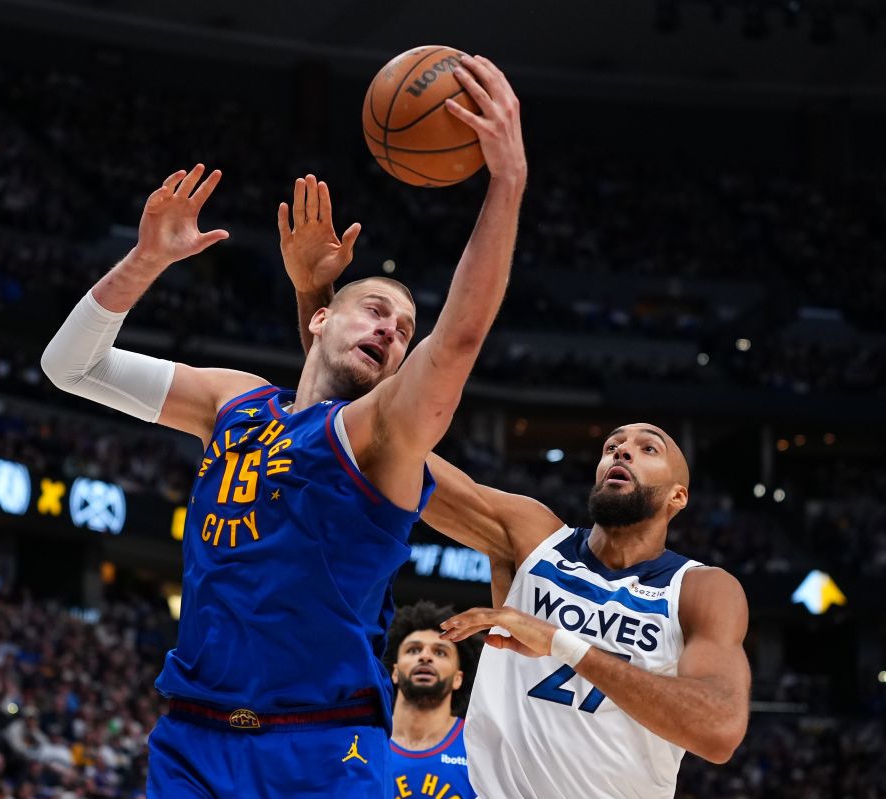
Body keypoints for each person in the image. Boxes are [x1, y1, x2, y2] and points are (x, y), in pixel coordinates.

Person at [41, 53, 525, 798]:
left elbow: (458, 338)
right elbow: (71, 367)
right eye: (375, 309)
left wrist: (507, 183)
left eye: (403, 328)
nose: (393, 331)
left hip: (323, 749)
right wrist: (144, 261)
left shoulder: (381, 436)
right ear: (322, 317)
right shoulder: (235, 402)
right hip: (193, 740)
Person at [288, 326, 748, 793]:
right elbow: (390, 450)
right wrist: (327, 330)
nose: (621, 450)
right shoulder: (533, 537)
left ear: (678, 496)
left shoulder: (700, 588)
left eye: (648, 448)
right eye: (612, 446)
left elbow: (719, 732)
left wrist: (561, 644)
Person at [385, 602, 481, 799]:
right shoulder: (363, 742)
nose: (425, 657)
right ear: (394, 672)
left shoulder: (479, 747)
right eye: (413, 650)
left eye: (440, 652)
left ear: (458, 678)